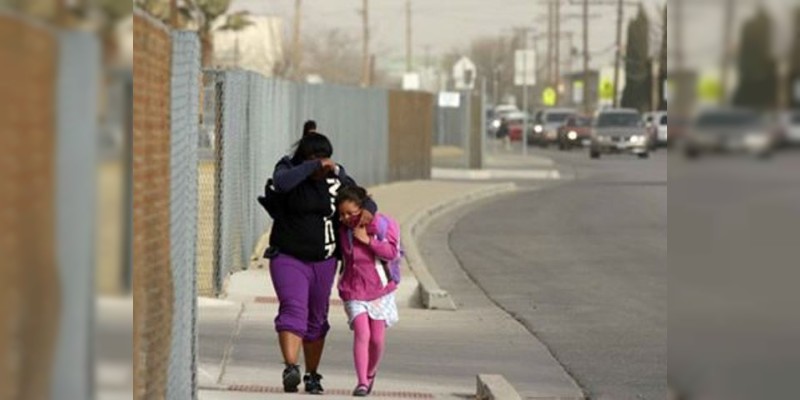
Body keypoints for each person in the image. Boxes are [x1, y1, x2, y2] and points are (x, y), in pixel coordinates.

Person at [267, 133, 377, 394]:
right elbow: (281, 184)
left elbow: (362, 197)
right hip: (288, 255)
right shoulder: (288, 170)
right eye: (315, 158)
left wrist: (369, 210)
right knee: (293, 309)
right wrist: (311, 167)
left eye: (324, 158)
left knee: (317, 318)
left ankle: (312, 374)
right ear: (305, 158)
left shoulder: (336, 180)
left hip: (324, 260)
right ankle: (291, 367)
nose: (322, 164)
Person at [335, 186, 400, 397]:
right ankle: (361, 382)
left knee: (377, 339)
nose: (345, 218)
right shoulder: (342, 229)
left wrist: (368, 241)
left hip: (379, 289)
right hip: (353, 289)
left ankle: (371, 373)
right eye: (341, 214)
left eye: (350, 213)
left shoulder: (382, 225)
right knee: (362, 333)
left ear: (362, 209)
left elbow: (391, 253)